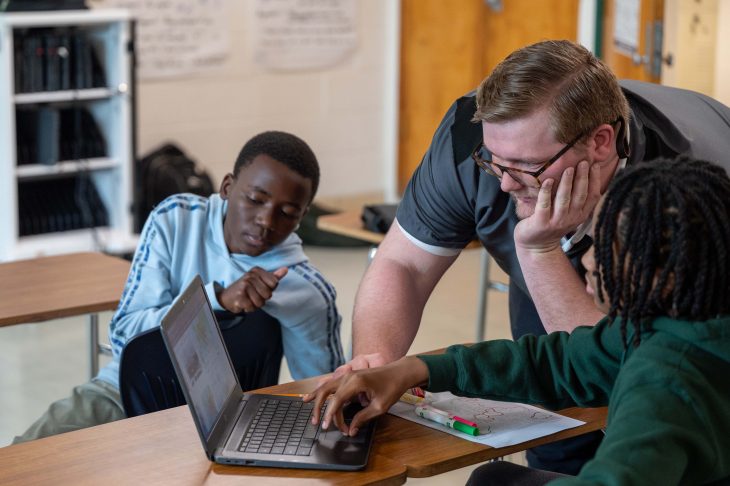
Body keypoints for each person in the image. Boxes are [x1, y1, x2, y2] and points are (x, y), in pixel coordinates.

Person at [339, 40, 730, 473]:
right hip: (620, 347)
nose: (504, 185)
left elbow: (627, 370)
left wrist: (540, 249)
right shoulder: (476, 143)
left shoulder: (689, 200)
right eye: (494, 162)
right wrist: (387, 365)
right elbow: (405, 265)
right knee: (545, 443)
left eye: (525, 166)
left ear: (601, 142)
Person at [307, 156, 730, 485]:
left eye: (606, 247)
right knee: (496, 478)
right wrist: (416, 368)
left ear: (666, 274)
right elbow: (555, 361)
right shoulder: (675, 324)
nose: (586, 260)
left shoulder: (667, 379)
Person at [13, 130, 345, 443]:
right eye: (255, 199)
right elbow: (123, 335)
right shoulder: (177, 219)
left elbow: (322, 395)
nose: (267, 220)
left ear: (302, 217)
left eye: (287, 213)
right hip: (124, 393)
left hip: (227, 423)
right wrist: (215, 301)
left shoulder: (306, 289)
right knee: (20, 462)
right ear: (227, 187)